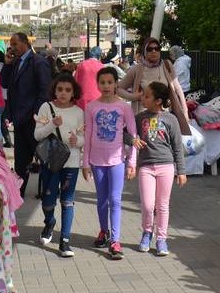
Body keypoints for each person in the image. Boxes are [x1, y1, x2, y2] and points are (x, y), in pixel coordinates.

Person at [83, 67, 137, 260]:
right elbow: (88, 135)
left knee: (115, 199)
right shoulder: (91, 107)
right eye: (102, 82)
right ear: (97, 84)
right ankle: (103, 231)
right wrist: (85, 163)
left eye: (110, 82)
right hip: (96, 161)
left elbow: (133, 135)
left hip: (117, 161)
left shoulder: (124, 107)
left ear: (116, 84)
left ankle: (115, 241)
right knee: (102, 199)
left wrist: (132, 162)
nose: (106, 86)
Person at [129, 81, 186, 256]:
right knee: (147, 205)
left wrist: (181, 171)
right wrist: (132, 140)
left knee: (162, 205)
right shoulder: (139, 118)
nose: (142, 98)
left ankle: (161, 239)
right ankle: (147, 232)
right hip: (146, 166)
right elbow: (124, 132)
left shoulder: (171, 119)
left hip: (166, 166)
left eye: (147, 96)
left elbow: (177, 146)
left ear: (158, 101)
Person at [34, 74, 85, 258]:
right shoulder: (46, 107)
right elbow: (37, 135)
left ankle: (65, 241)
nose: (63, 93)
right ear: (54, 90)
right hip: (51, 161)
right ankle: (49, 222)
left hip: (71, 162)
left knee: (67, 201)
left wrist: (78, 141)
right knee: (48, 201)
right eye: (60, 89)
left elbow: (84, 138)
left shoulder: (79, 112)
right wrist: (51, 125)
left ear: (73, 92)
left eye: (68, 90)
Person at [0, 32, 53, 198]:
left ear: (25, 43)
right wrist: (7, 64)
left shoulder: (38, 62)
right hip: (19, 119)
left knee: (42, 156)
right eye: (11, 45)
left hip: (34, 119)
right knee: (21, 159)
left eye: (15, 44)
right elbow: (5, 84)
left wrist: (36, 114)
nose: (12, 48)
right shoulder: (15, 62)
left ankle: (46, 190)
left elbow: (45, 91)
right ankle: (19, 192)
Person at [117, 37, 190, 136]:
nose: (154, 51)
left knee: (163, 142)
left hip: (164, 117)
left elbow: (178, 89)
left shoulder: (167, 65)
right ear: (144, 52)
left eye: (157, 48)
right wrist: (133, 97)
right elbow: (118, 89)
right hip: (143, 119)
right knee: (148, 142)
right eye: (150, 49)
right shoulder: (137, 69)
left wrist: (185, 111)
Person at [74, 46, 104, 111]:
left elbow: (75, 81)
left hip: (83, 98)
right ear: (99, 56)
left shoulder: (81, 65)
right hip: (98, 98)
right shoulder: (102, 67)